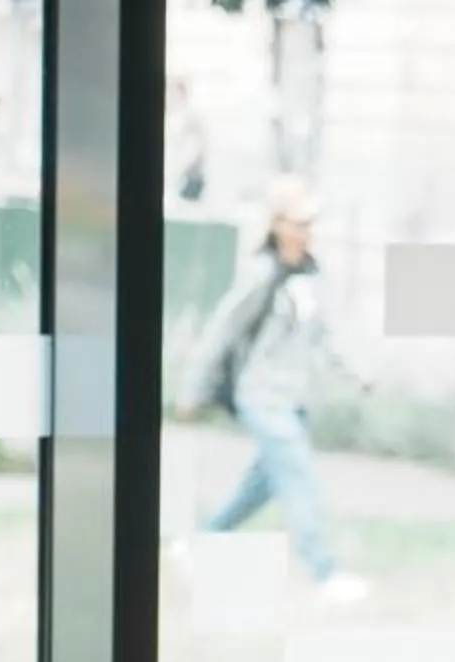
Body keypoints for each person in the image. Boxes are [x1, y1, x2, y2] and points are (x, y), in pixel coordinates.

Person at [177, 176, 370, 601]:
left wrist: (357, 374)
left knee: (260, 486)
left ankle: (197, 544)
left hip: (294, 399)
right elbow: (221, 333)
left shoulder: (312, 276)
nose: (306, 229)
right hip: (261, 397)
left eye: (310, 221)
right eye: (298, 221)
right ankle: (324, 573)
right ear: (278, 224)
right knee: (298, 475)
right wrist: (193, 387)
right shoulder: (261, 275)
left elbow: (324, 338)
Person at [166, 79, 207, 203]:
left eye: (173, 93)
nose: (170, 96)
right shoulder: (173, 115)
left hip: (189, 177)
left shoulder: (189, 117)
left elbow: (196, 148)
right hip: (178, 175)